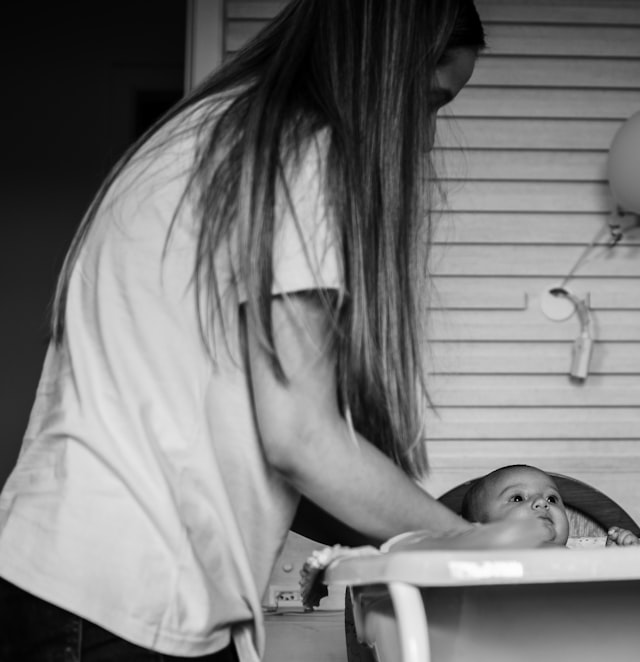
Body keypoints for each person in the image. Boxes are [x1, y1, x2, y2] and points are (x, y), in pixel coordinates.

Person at [0, 1, 551, 661]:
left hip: (78, 571)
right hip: (123, 588)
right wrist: (466, 538)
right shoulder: (300, 146)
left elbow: (255, 430)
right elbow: (301, 437)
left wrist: (403, 526)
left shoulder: (204, 131)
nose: (426, 137)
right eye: (428, 102)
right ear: (384, 67)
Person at [460, 464, 640, 547]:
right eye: (518, 498)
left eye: (552, 499)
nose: (542, 502)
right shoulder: (481, 564)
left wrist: (614, 561)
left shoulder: (578, 560)